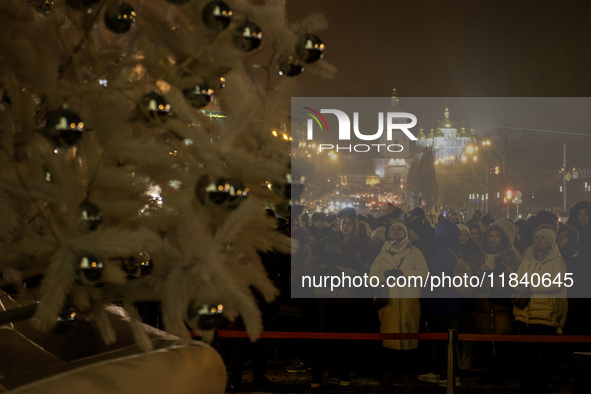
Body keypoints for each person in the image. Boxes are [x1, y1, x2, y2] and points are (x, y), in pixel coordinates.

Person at [370, 221, 428, 393]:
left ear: (405, 234)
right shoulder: (381, 255)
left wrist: (403, 274)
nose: (396, 231)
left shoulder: (416, 253)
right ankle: (387, 380)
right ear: (388, 234)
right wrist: (384, 276)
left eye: (399, 229)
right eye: (393, 229)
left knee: (409, 344)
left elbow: (424, 275)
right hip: (389, 305)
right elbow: (371, 278)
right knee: (389, 343)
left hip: (409, 304)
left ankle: (408, 381)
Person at [512, 226, 568, 392]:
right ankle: (530, 380)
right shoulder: (527, 260)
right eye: (537, 238)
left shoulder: (558, 262)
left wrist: (530, 287)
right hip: (527, 312)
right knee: (528, 351)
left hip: (546, 312)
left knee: (546, 351)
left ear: (551, 243)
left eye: (542, 238)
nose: (538, 241)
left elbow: (555, 284)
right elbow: (517, 278)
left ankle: (546, 381)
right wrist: (519, 286)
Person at [469, 219, 521, 383]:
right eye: (490, 235)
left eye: (497, 236)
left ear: (503, 238)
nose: (493, 238)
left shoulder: (512, 254)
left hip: (502, 302)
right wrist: (480, 271)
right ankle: (489, 371)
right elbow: (471, 278)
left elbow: (516, 279)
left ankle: (505, 371)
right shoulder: (477, 255)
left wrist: (502, 268)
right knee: (484, 338)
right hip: (482, 302)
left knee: (504, 338)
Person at [420, 220, 464, 388]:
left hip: (441, 304)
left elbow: (435, 282)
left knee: (443, 342)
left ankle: (450, 375)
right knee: (449, 341)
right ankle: (442, 371)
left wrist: (427, 298)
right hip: (455, 302)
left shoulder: (440, 254)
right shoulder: (457, 251)